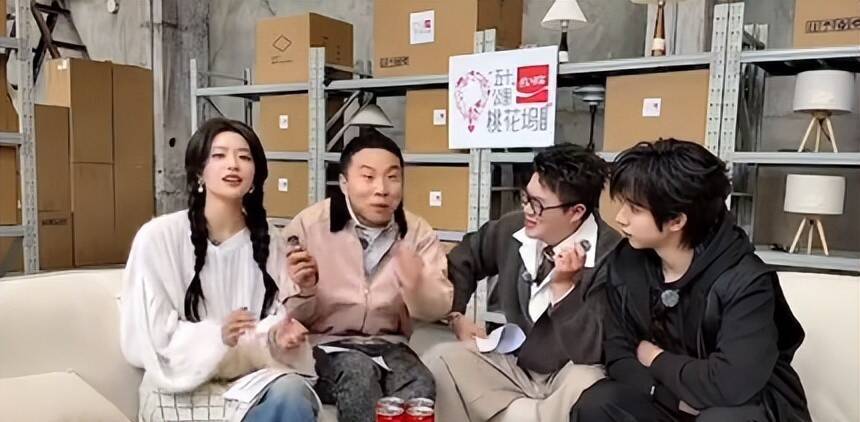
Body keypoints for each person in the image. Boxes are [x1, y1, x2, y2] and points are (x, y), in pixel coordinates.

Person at [572, 139, 811, 422]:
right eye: (622, 204)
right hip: (669, 397)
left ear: (676, 220)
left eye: (634, 209)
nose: (620, 218)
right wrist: (665, 397)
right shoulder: (625, 262)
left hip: (748, 407)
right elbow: (619, 353)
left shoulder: (745, 281)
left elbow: (730, 381)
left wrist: (656, 358)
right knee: (599, 403)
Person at [120, 118, 319, 422]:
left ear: (255, 175)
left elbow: (276, 318)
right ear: (199, 171)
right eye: (219, 155)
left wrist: (279, 332)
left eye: (244, 157)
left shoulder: (270, 239)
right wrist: (217, 337)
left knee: (292, 392)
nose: (233, 165)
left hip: (250, 381)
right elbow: (147, 336)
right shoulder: (158, 238)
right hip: (180, 385)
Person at [427, 144, 622, 421]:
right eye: (525, 198)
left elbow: (591, 349)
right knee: (440, 358)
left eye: (538, 205)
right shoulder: (513, 228)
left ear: (576, 211)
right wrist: (456, 315)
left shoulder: (612, 256)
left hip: (568, 373)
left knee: (589, 383)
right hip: (515, 363)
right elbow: (463, 260)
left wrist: (564, 290)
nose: (528, 210)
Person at [281, 130, 453, 422]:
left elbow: (439, 307)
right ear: (344, 183)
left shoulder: (417, 232)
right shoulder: (308, 227)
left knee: (419, 384)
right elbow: (282, 311)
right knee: (358, 373)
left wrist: (416, 286)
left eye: (392, 177)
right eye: (368, 177)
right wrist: (305, 289)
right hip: (322, 345)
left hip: (389, 345)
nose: (381, 189)